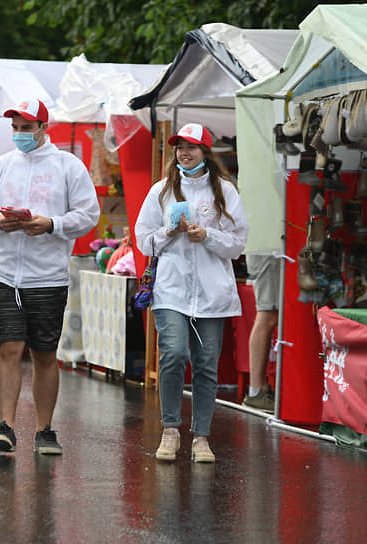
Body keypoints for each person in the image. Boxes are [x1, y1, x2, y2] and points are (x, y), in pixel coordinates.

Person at [0, 99, 100, 455]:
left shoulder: (68, 166)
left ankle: (45, 429)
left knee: (44, 353)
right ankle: (6, 425)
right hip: (4, 273)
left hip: (48, 275)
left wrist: (52, 225)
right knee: (9, 347)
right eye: (15, 128)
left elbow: (88, 215)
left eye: (26, 128)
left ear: (44, 129)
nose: (19, 135)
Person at [135, 123, 248, 463]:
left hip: (213, 295)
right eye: (180, 147)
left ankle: (201, 437)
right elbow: (144, 240)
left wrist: (208, 236)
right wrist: (168, 232)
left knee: (206, 365)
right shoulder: (161, 191)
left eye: (192, 147)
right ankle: (170, 430)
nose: (184, 152)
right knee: (172, 353)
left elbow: (238, 244)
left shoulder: (225, 192)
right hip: (171, 289)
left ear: (205, 152)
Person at [243, 255, 278, 413]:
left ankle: (260, 389)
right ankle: (255, 391)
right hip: (268, 252)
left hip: (271, 251)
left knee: (269, 315)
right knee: (267, 315)